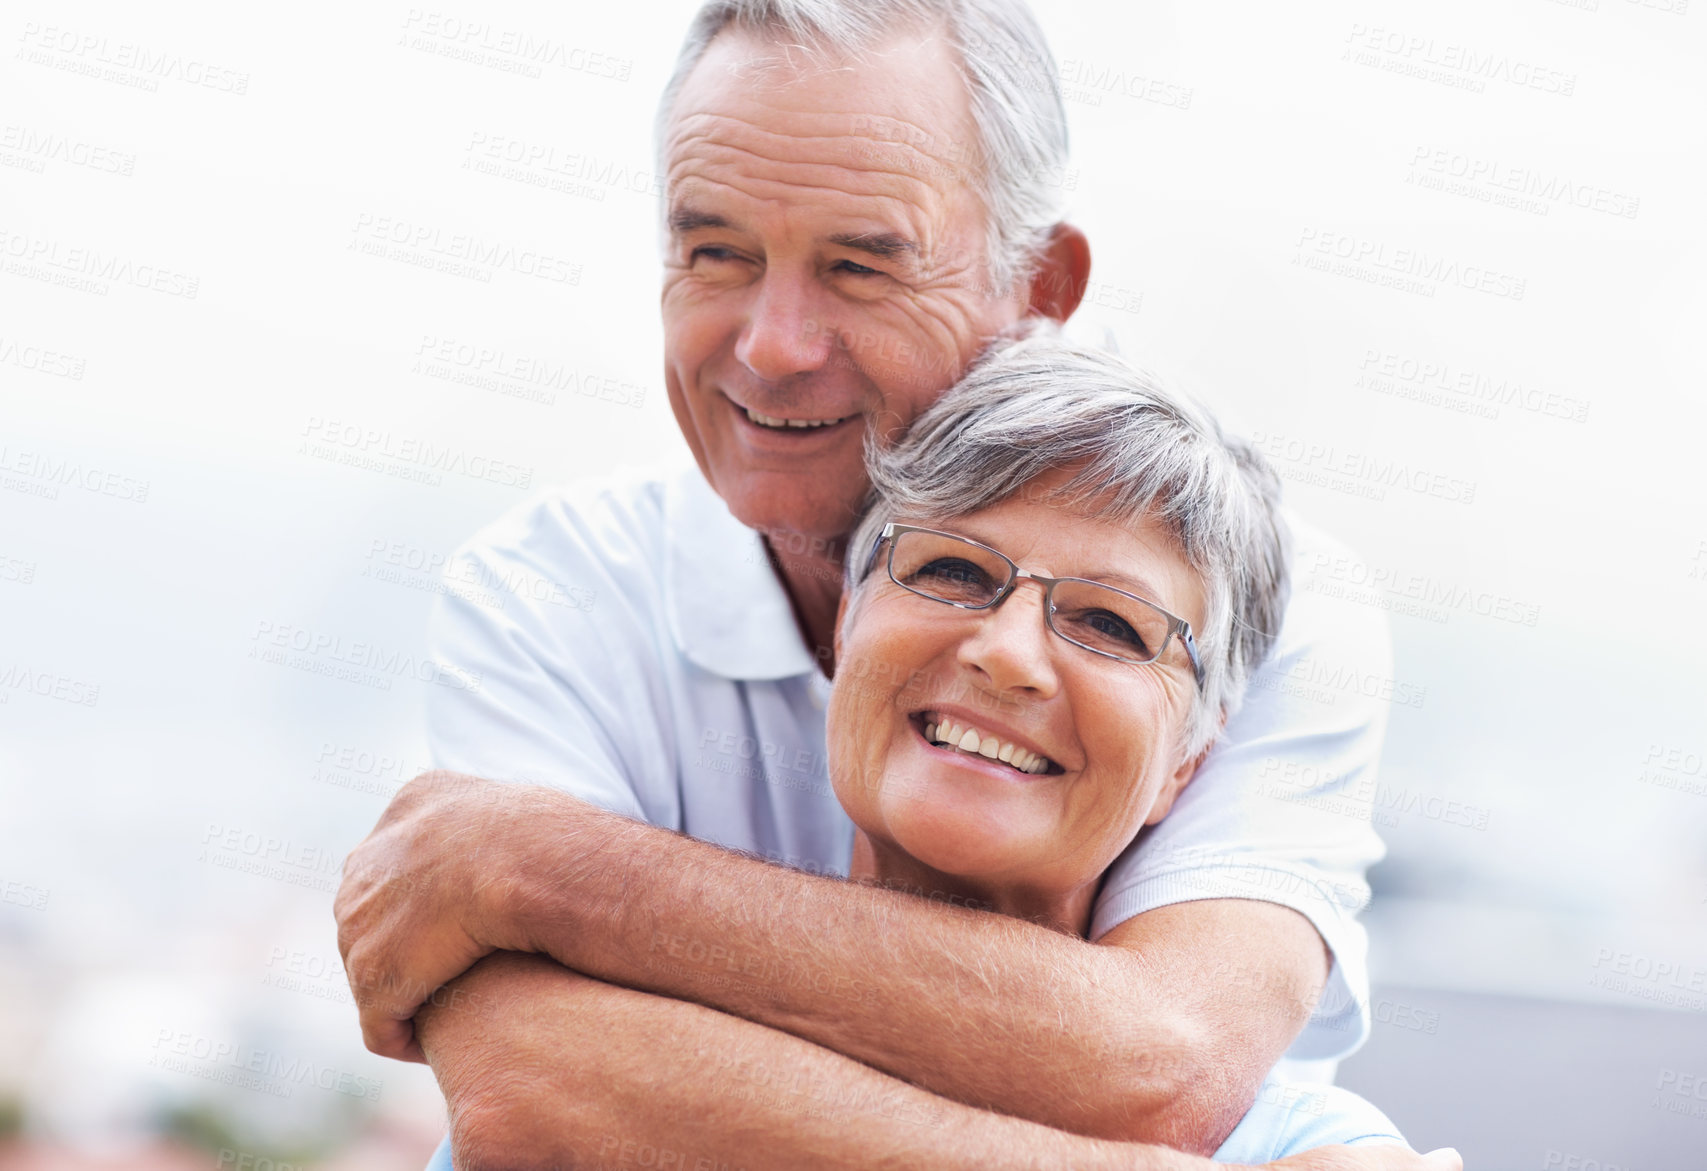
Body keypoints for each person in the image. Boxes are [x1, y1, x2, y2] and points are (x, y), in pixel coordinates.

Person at [336, 0, 1433, 1165]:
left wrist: (544, 869)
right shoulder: (550, 592)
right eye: (715, 252)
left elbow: (1158, 1067)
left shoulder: (1261, 601)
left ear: (1041, 290)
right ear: (852, 613)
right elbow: (534, 1091)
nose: (771, 344)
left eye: (861, 266)